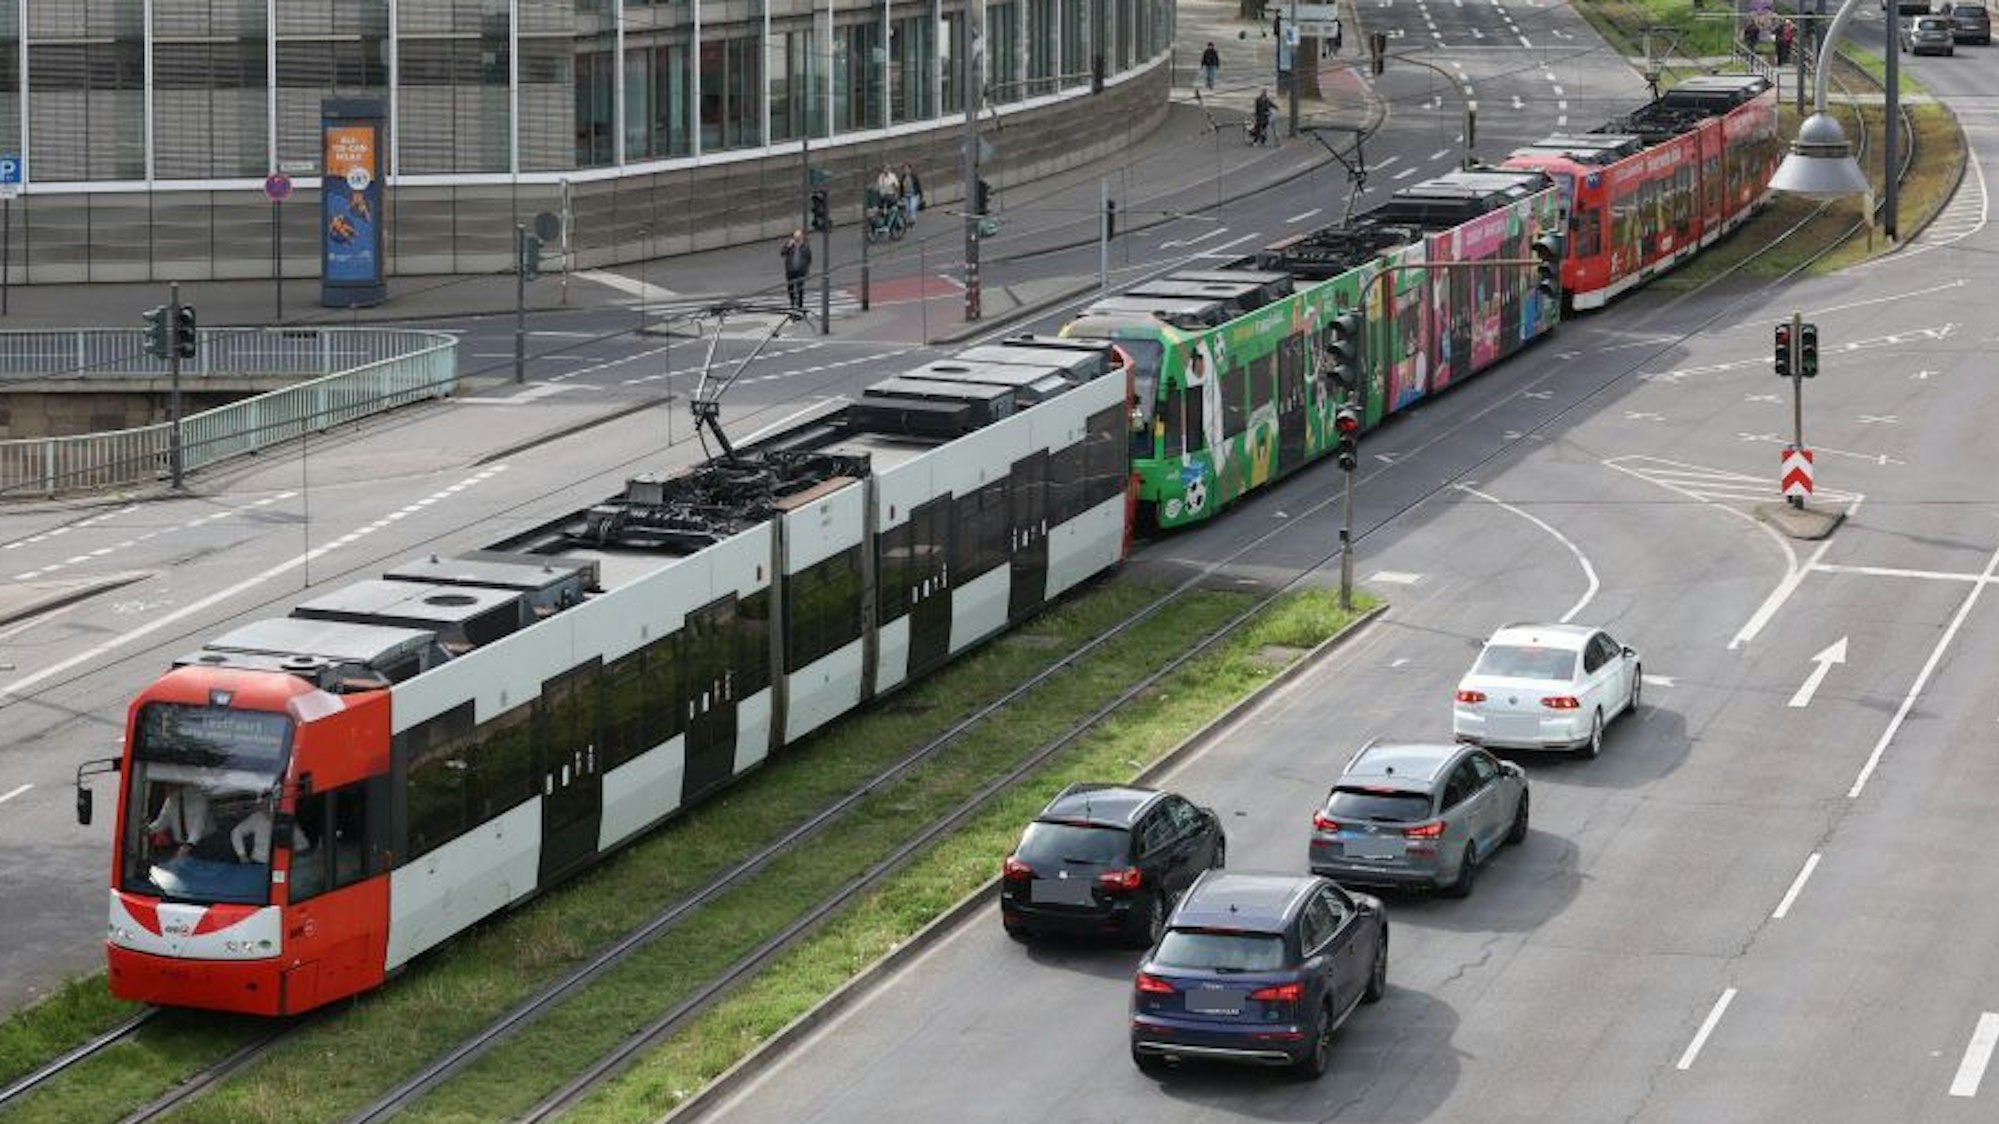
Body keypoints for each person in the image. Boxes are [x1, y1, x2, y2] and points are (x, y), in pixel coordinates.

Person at [146, 781, 213, 858]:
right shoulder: (171, 800)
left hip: (203, 842)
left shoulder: (197, 798)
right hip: (182, 843)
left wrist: (189, 844)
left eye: (170, 785)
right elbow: (163, 821)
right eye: (166, 786)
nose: (166, 788)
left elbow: (198, 826)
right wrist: (148, 830)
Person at [231, 805, 310, 864]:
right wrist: (242, 855)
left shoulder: (286, 819)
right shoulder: (257, 817)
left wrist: (291, 855)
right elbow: (237, 832)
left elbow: (303, 844)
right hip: (259, 862)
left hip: (282, 863)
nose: (267, 808)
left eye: (271, 805)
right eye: (265, 805)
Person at [780, 229, 811, 312]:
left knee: (800, 288)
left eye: (798, 237)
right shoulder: (789, 244)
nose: (797, 239)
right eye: (795, 237)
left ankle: (800, 305)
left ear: (801, 237)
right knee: (790, 287)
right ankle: (792, 302)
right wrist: (788, 246)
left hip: (800, 271)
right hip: (790, 270)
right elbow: (782, 253)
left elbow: (808, 259)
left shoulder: (805, 246)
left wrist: (806, 270)